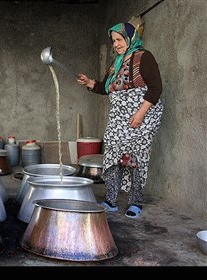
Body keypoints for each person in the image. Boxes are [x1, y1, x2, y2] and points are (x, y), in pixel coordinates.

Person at [77, 22, 163, 219]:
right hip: (118, 117)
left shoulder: (143, 57)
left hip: (142, 115)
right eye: (113, 40)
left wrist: (140, 114)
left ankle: (135, 202)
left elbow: (156, 88)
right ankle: (111, 199)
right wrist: (90, 82)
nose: (116, 44)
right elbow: (107, 88)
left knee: (135, 158)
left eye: (119, 39)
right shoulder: (117, 62)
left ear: (130, 38)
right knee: (112, 156)